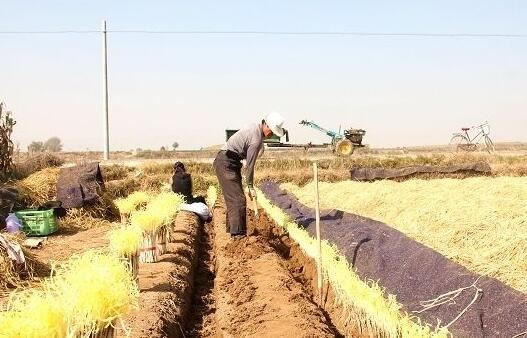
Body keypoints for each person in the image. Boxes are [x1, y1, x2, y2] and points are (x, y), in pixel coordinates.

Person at [213, 112, 286, 238]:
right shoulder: (256, 139)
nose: (272, 135)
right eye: (272, 131)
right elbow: (250, 165)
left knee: (234, 198)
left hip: (230, 162)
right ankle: (238, 235)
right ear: (266, 125)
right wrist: (250, 186)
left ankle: (234, 232)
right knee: (238, 199)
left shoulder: (254, 128)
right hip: (226, 163)